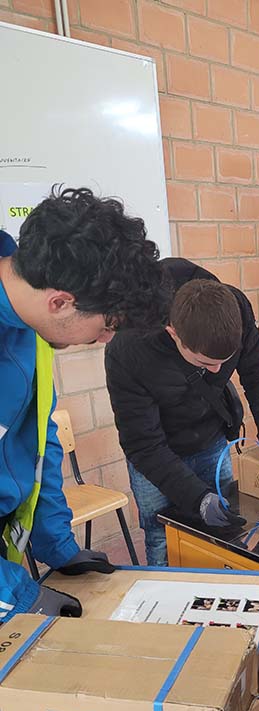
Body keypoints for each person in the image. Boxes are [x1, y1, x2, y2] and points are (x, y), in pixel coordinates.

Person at [0, 187, 163, 621]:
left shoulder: (27, 324)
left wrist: (56, 545)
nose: (107, 338)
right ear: (60, 302)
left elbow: (38, 442)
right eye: (107, 324)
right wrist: (13, 594)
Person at [105, 257, 259, 567]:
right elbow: (143, 445)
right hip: (156, 453)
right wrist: (196, 497)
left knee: (226, 533)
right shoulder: (128, 349)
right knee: (162, 535)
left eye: (225, 361)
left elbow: (258, 376)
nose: (217, 371)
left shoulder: (236, 310)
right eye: (205, 363)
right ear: (173, 332)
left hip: (210, 439)